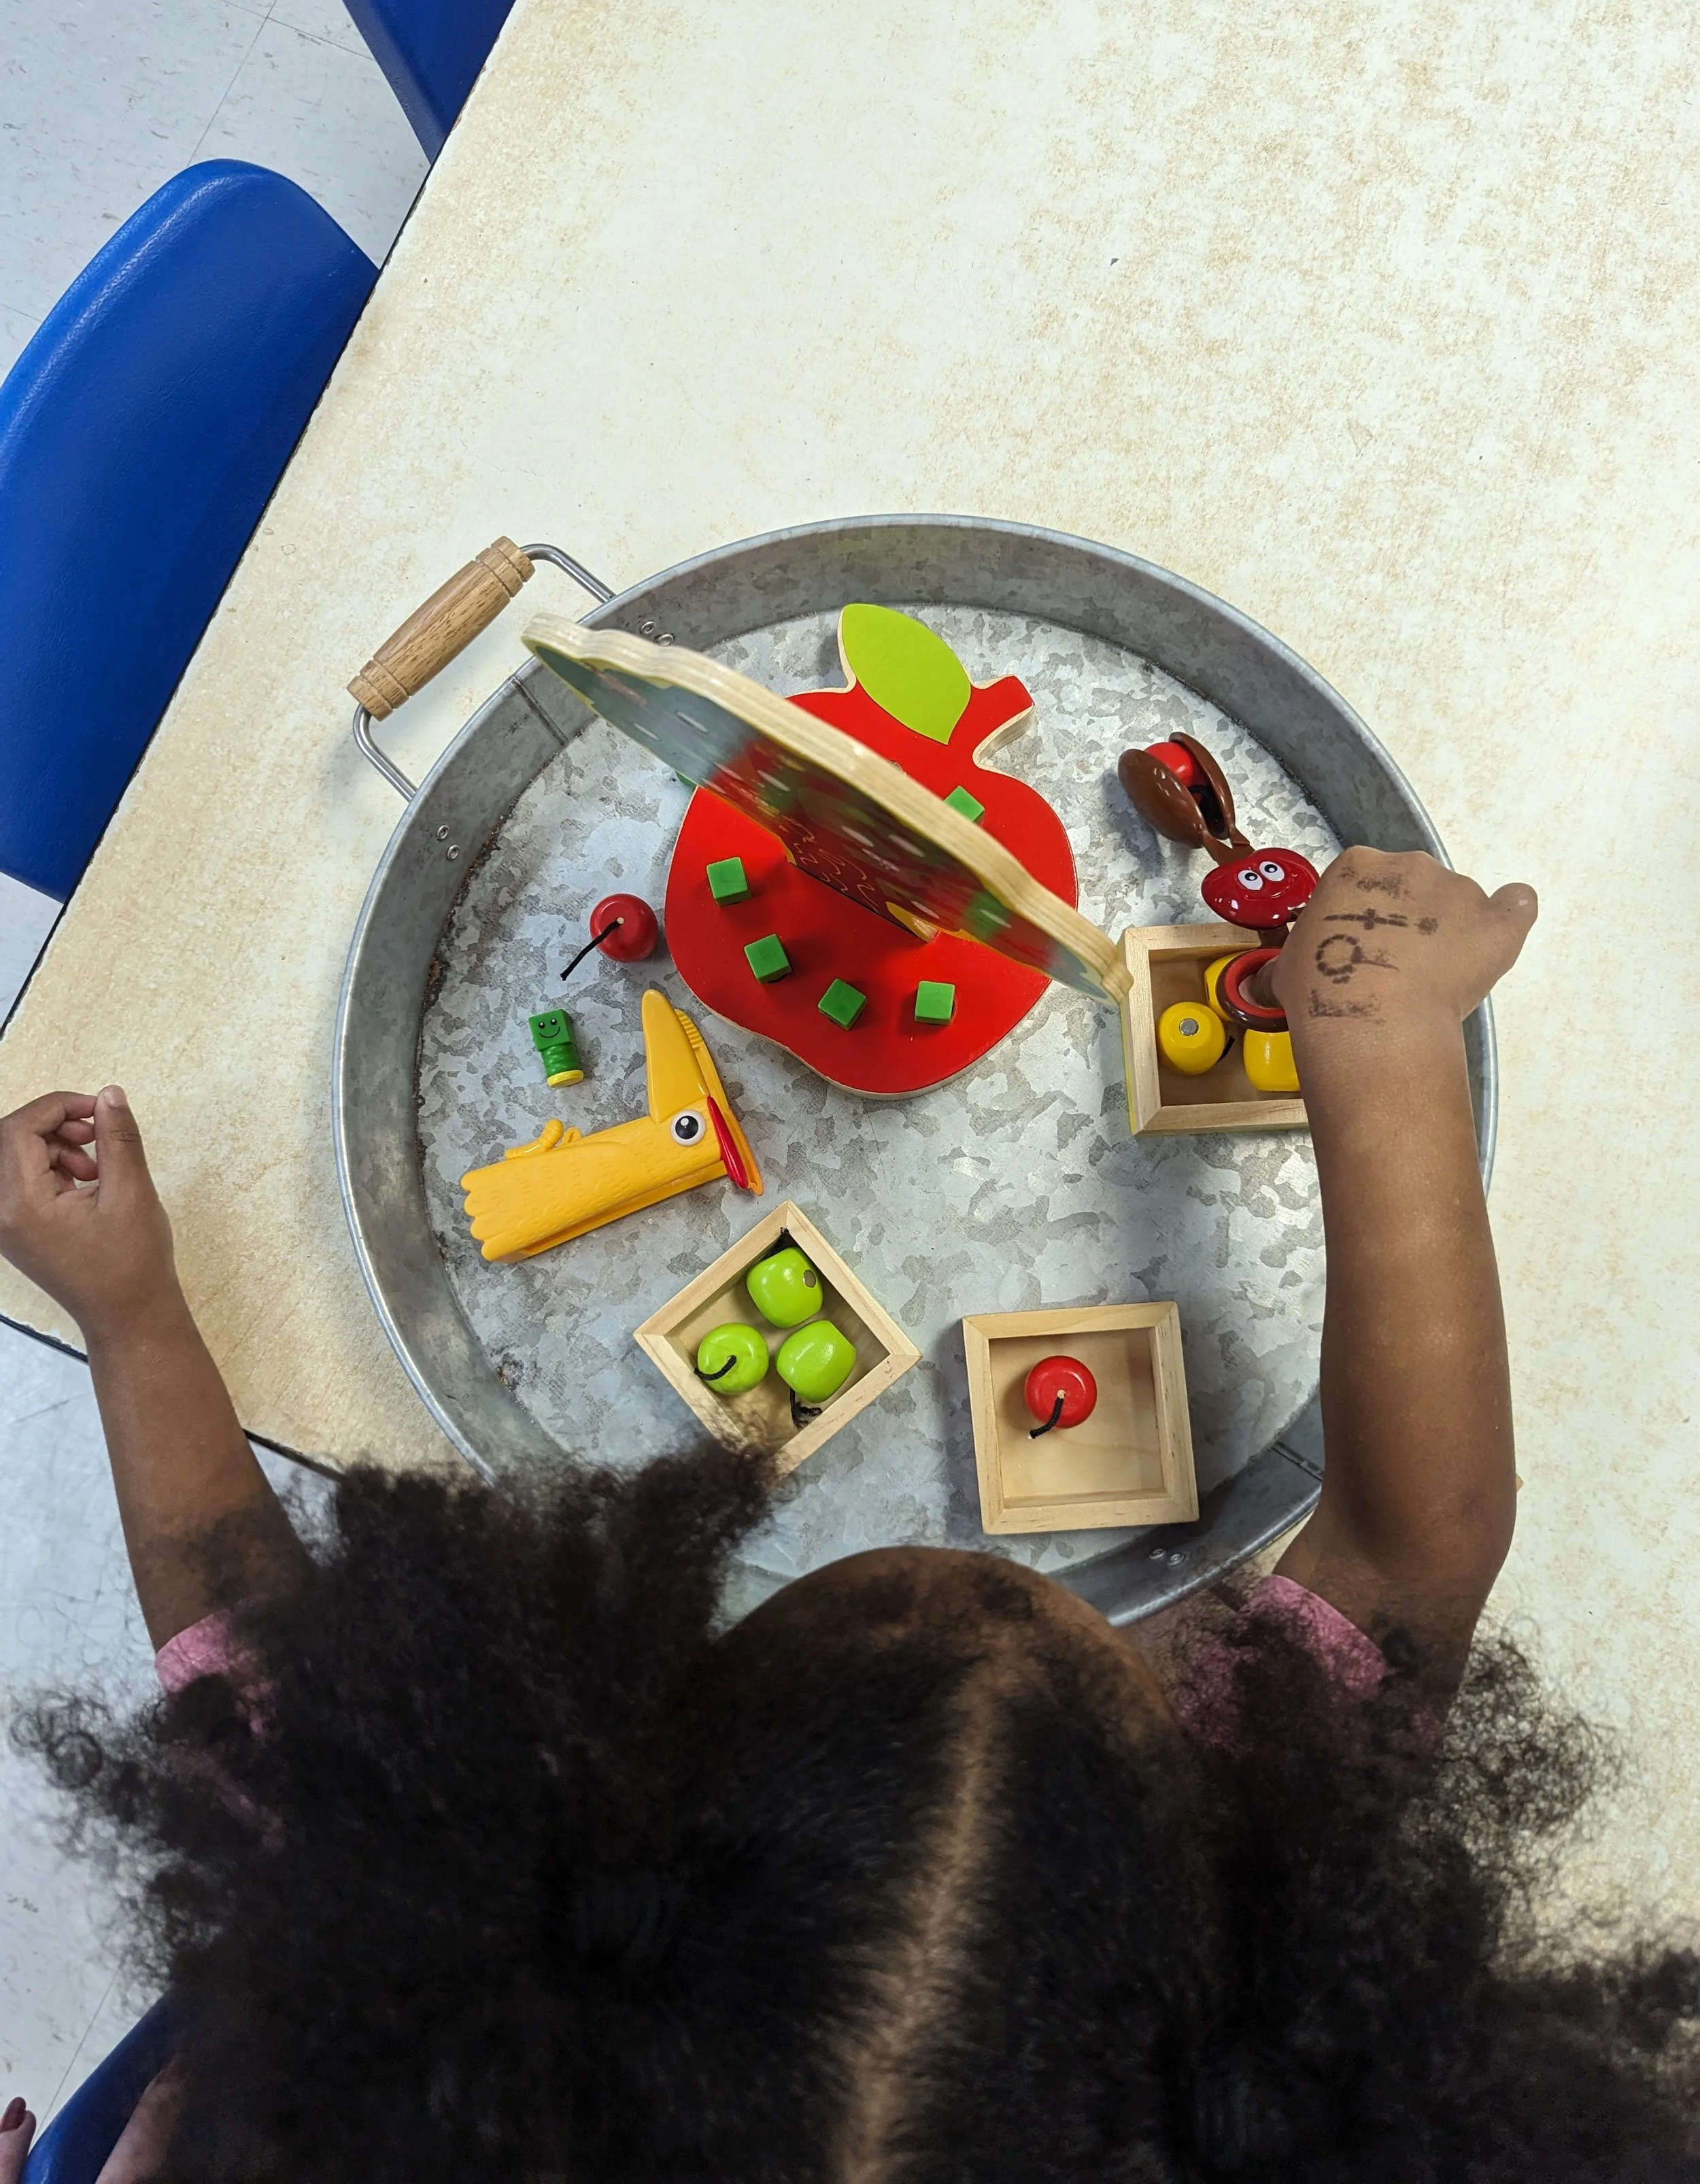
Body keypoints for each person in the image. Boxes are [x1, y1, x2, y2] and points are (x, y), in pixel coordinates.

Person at [0, 848, 1695, 2182]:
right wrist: (1387, 1058)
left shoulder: (308, 2085)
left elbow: (255, 1656)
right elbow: (1415, 1537)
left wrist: (132, 1319)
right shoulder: (1235, 1890)